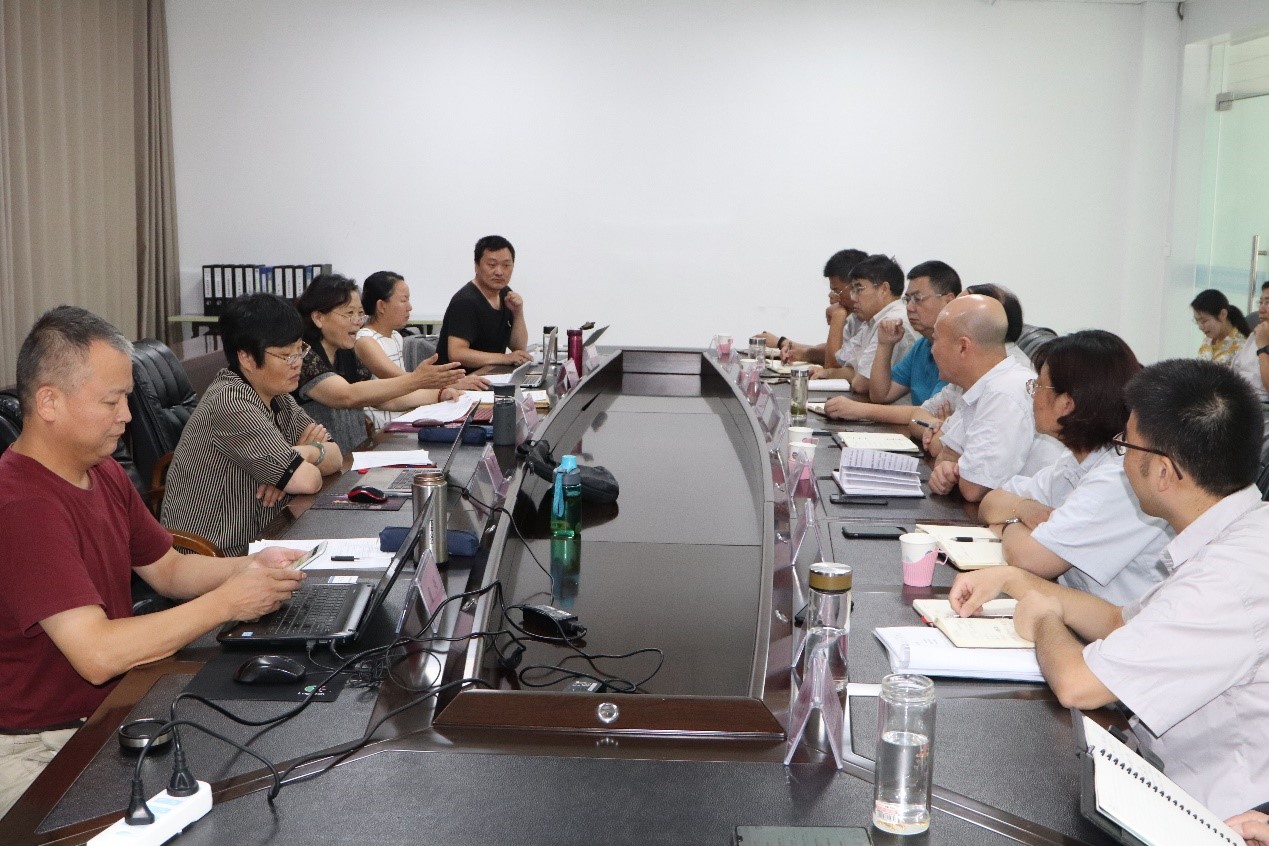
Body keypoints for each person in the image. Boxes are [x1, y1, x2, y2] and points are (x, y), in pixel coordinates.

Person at [0, 306, 307, 815]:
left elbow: (169, 569)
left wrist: (253, 567)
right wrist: (227, 603)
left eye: (127, 397)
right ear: (49, 401)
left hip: (108, 713)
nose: (126, 415)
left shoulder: (101, 471)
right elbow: (97, 654)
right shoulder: (21, 505)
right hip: (38, 746)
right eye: (111, 400)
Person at [950, 359, 1269, 819]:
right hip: (1164, 770)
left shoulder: (1226, 579)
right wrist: (1015, 581)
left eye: (1126, 445)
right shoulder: (1241, 532)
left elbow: (1078, 685)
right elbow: (1120, 622)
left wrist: (1043, 619)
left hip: (1204, 812)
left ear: (1164, 472)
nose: (1121, 459)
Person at [977, 330, 1171, 605]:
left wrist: (1009, 522)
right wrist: (1023, 508)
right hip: (1071, 607)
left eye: (1038, 386)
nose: (1032, 395)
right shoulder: (1075, 462)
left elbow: (1028, 557)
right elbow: (990, 501)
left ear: (1067, 404)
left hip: (1115, 625)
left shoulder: (1119, 478)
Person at [163, 293, 345, 556]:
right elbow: (308, 480)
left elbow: (336, 456)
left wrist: (300, 454)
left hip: (266, 536)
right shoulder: (232, 402)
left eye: (300, 350)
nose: (298, 363)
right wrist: (301, 463)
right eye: (286, 356)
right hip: (216, 554)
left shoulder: (278, 395)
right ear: (247, 357)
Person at [294, 274, 464, 454]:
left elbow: (387, 400)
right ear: (318, 317)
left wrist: (440, 394)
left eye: (360, 313)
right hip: (324, 462)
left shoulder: (346, 352)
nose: (357, 322)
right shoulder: (303, 356)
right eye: (349, 313)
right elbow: (347, 395)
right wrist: (417, 379)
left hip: (358, 454)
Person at [926, 295, 1067, 502]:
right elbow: (944, 454)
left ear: (963, 346)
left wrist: (954, 468)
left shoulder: (1005, 391)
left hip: (1033, 514)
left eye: (936, 339)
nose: (932, 350)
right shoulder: (984, 385)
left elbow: (973, 488)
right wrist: (949, 468)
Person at [823, 260, 960, 427]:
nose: (910, 308)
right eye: (908, 299)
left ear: (948, 300)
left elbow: (929, 412)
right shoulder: (922, 345)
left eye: (918, 299)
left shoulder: (958, 352)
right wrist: (885, 344)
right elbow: (881, 394)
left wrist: (859, 410)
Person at [354, 270, 488, 428]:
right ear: (381, 306)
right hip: (381, 426)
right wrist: (450, 384)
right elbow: (404, 381)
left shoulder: (395, 336)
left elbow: (408, 387)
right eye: (403, 300)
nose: (409, 307)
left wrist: (448, 386)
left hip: (402, 415)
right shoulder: (366, 340)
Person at [811, 254, 914, 389]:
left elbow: (862, 383)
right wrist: (827, 373)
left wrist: (834, 373)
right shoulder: (871, 321)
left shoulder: (893, 322)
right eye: (853, 290)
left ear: (884, 289)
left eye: (858, 289)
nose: (853, 298)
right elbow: (844, 363)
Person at [756, 248, 868, 366]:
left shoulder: (873, 320)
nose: (831, 295)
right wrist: (799, 352)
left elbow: (833, 366)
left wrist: (838, 315)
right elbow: (839, 353)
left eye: (836, 290)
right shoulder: (855, 319)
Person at [435, 235, 531, 368]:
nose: (499, 272)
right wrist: (505, 358)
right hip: (459, 378)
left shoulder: (505, 293)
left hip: (489, 374)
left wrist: (518, 312)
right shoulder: (465, 302)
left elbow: (518, 348)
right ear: (476, 266)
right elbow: (457, 353)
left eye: (506, 265)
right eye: (492, 265)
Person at [1191, 288, 1249, 366]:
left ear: (1223, 314)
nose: (1200, 327)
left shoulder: (1241, 347)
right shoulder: (1208, 340)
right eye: (1197, 321)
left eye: (1204, 321)